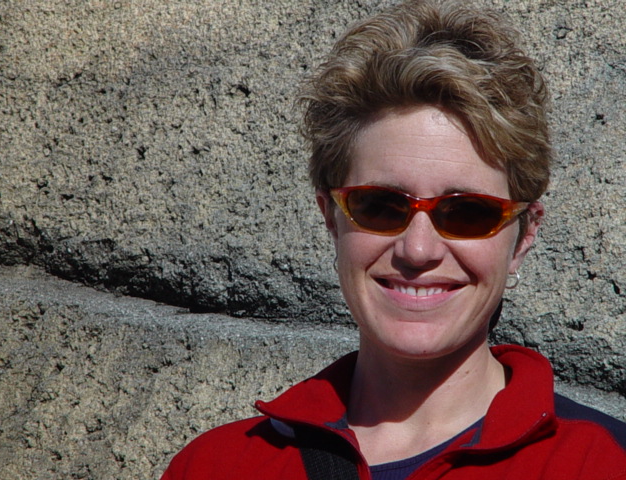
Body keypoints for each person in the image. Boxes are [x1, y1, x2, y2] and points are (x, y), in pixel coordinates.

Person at [160, 1, 626, 478]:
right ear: (331, 217)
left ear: (524, 236)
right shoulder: (216, 465)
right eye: (381, 206)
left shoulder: (602, 463)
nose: (417, 250)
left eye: (468, 213)